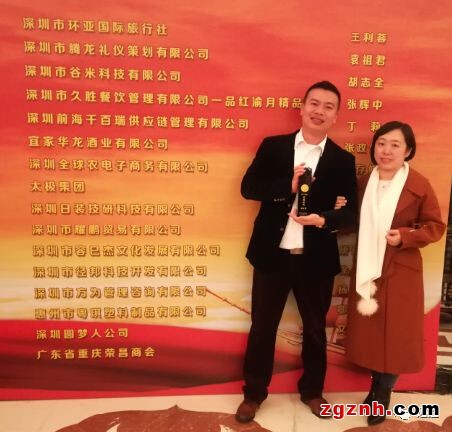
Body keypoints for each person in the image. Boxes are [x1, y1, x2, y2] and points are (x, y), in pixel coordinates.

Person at [235, 80, 358, 423]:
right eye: (314, 104)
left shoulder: (342, 160)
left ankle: (313, 392)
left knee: (316, 329)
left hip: (315, 260)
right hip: (271, 256)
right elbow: (249, 187)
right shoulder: (274, 147)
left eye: (328, 107)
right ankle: (254, 394)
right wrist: (286, 187)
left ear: (336, 116)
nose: (320, 111)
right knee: (262, 327)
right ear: (302, 108)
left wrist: (324, 219)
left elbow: (350, 214)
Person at [345, 121, 446, 426]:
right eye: (381, 143)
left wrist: (405, 236)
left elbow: (435, 226)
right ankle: (375, 384)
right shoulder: (364, 182)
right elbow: (351, 219)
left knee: (397, 334)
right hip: (368, 266)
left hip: (401, 269)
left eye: (395, 145)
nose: (386, 151)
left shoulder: (419, 184)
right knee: (372, 331)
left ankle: (383, 392)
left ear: (408, 151)